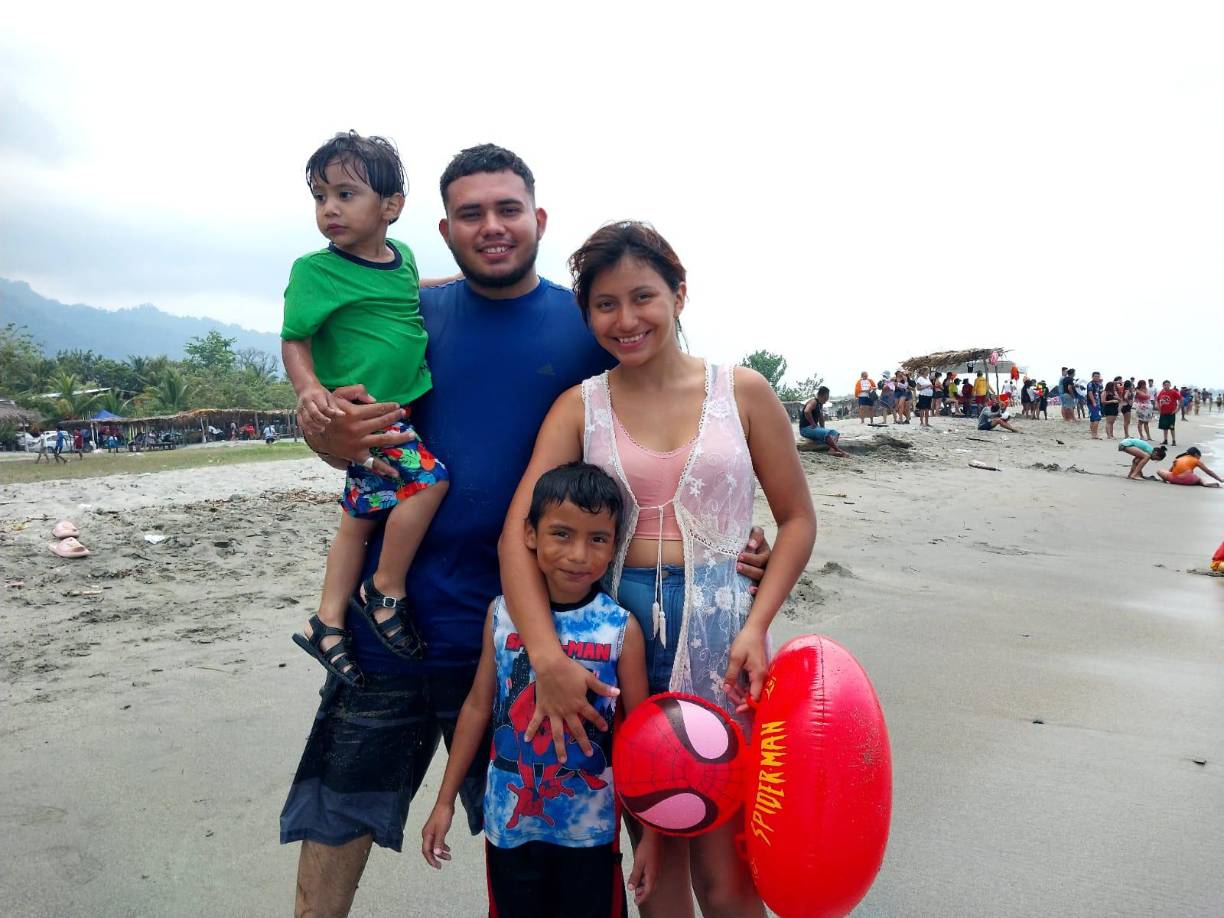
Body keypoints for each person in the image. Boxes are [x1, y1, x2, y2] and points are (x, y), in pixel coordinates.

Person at [279, 146, 772, 918]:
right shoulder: (410, 311)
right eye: (471, 214)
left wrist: (717, 539)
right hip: (396, 622)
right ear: (442, 229)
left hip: (533, 632)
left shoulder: (584, 331)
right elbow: (340, 416)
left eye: (508, 209)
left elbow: (661, 418)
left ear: (538, 219)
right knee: (336, 820)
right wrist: (321, 428)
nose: (492, 227)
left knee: (562, 844)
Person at [497, 222, 817, 918]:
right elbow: (514, 539)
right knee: (657, 853)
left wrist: (757, 625)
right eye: (605, 304)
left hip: (725, 631)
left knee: (728, 868)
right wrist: (548, 658)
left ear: (679, 293)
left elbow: (796, 520)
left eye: (643, 296)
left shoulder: (745, 392)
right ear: (587, 316)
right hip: (620, 635)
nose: (626, 318)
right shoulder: (578, 407)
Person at [420, 462, 659, 914]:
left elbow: (639, 738)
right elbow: (476, 708)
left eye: (597, 539)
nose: (578, 555)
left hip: (590, 830)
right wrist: (444, 801)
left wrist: (649, 839)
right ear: (529, 535)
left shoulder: (620, 629)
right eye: (561, 534)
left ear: (614, 546)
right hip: (510, 826)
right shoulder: (502, 615)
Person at [280, 132, 451, 687]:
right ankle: (386, 588)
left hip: (400, 409)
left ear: (391, 207)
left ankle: (327, 621)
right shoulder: (314, 271)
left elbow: (401, 295)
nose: (329, 208)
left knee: (359, 515)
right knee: (429, 484)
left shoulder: (401, 258)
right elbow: (294, 338)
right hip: (366, 414)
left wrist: (453, 282)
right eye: (321, 196)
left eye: (345, 194)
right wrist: (309, 390)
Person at [800, 386, 849, 457]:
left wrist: (822, 429)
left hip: (813, 428)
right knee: (827, 434)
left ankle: (831, 450)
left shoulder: (820, 404)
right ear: (823, 395)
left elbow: (821, 417)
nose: (827, 399)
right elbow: (807, 411)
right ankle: (839, 450)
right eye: (827, 396)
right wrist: (813, 424)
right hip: (805, 429)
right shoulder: (813, 401)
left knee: (835, 433)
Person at [1158, 447, 1222, 487]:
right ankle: (1204, 483)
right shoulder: (1196, 460)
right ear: (1196, 455)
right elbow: (1208, 471)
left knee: (1159, 471)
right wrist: (1220, 479)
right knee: (1200, 478)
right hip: (1189, 480)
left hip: (1173, 480)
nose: (1199, 459)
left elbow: (1170, 471)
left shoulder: (1178, 458)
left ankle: (1166, 480)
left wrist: (1166, 478)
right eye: (1199, 457)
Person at [1156, 380, 1180, 446]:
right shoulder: (1161, 392)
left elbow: (1180, 399)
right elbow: (1157, 400)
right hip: (1163, 412)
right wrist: (1158, 408)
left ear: (1170, 385)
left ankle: (1174, 441)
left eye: (1168, 385)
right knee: (1165, 427)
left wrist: (1177, 409)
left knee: (1172, 427)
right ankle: (1165, 440)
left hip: (1171, 413)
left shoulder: (1173, 392)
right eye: (1165, 385)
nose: (1166, 386)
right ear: (1163, 385)